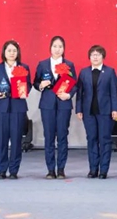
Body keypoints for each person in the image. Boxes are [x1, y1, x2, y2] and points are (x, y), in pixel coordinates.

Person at [34, 36, 77, 179]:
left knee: (63, 136)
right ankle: (50, 170)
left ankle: (61, 169)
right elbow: (35, 82)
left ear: (64, 49)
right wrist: (41, 85)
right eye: (55, 46)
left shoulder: (69, 64)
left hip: (64, 104)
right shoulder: (43, 64)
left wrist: (69, 95)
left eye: (60, 47)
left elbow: (75, 84)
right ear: (50, 48)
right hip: (47, 105)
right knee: (49, 136)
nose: (57, 49)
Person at [0, 40, 31, 179]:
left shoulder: (24, 67)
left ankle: (13, 170)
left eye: (14, 51)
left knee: (17, 140)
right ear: (4, 52)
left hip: (18, 107)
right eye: (9, 50)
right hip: (1, 108)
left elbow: (28, 85)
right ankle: (1, 170)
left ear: (18, 53)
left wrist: (24, 91)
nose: (12, 53)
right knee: (2, 139)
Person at [76, 45, 117, 179]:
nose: (95, 57)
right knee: (91, 139)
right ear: (89, 57)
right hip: (88, 112)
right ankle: (93, 169)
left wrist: (115, 109)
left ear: (103, 56)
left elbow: (113, 92)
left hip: (105, 111)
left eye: (98, 54)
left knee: (105, 140)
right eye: (93, 55)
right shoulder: (84, 72)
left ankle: (103, 170)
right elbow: (79, 93)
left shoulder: (110, 72)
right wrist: (78, 109)